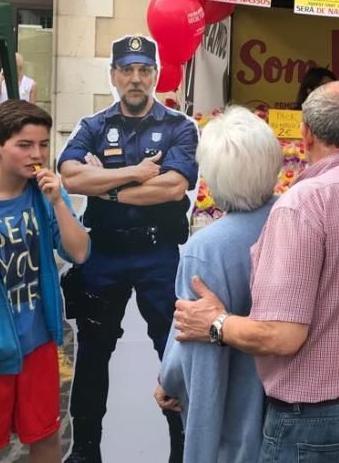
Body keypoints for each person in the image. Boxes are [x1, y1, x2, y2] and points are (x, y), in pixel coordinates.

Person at [172, 81, 339, 463]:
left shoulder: (303, 206)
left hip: (321, 424)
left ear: (306, 135)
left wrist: (216, 323)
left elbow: (283, 336)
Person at [58, 35, 199, 463]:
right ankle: (85, 449)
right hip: (105, 253)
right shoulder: (93, 126)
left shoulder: (180, 126)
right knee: (93, 351)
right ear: (114, 75)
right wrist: (137, 174)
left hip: (158, 255)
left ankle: (182, 446)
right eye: (127, 70)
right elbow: (70, 176)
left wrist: (109, 188)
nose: (136, 79)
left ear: (155, 74)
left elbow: (173, 186)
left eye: (144, 70)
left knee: (171, 349)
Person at [0, 100, 90, 463]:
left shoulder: (46, 193)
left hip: (37, 342)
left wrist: (57, 203)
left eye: (42, 145)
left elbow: (79, 252)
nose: (36, 155)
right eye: (24, 145)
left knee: (45, 438)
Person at [154, 106, 282, 463]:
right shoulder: (293, 219)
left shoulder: (206, 249)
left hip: (231, 419)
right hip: (287, 408)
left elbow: (188, 335)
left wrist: (168, 380)